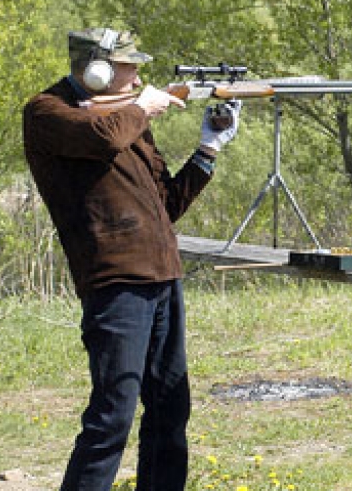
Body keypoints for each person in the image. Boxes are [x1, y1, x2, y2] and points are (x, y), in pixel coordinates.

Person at [22, 28, 241, 491]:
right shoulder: (48, 112)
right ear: (95, 70)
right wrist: (142, 107)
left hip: (162, 274)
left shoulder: (125, 116)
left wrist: (208, 150)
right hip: (115, 282)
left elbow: (167, 205)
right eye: (128, 66)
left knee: (170, 407)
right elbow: (104, 137)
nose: (139, 74)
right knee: (112, 416)